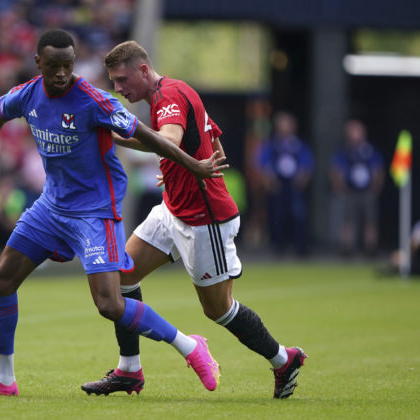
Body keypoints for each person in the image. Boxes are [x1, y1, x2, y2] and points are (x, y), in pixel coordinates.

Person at [0, 29, 227, 397]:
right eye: (54, 66)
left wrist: (193, 164)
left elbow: (148, 135)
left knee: (110, 304)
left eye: (68, 64)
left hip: (95, 211)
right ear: (39, 63)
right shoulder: (27, 94)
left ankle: (191, 347)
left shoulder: (94, 101)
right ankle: (3, 380)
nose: (62, 73)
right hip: (51, 206)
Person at [80, 40, 306, 399]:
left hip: (205, 219)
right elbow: (214, 144)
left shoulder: (169, 96)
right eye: (114, 83)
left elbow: (168, 139)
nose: (119, 89)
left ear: (143, 70)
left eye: (122, 80)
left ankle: (284, 359)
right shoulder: (175, 91)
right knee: (122, 275)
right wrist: (176, 168)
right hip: (173, 208)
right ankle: (129, 370)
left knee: (218, 309)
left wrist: (121, 135)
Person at [257, 112, 314, 256]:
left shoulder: (299, 145)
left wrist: (303, 179)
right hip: (278, 184)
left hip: (294, 184)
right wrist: (269, 181)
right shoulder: (272, 144)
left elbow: (307, 164)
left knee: (299, 215)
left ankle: (300, 247)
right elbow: (262, 163)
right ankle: (278, 247)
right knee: (277, 216)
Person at [329, 119, 384, 256]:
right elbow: (336, 170)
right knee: (347, 221)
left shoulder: (370, 150)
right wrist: (339, 187)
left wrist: (375, 187)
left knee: (370, 220)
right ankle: (346, 249)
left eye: (357, 131)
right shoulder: (344, 151)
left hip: (367, 191)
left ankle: (370, 249)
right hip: (350, 191)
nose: (355, 134)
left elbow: (378, 169)